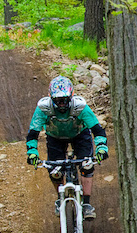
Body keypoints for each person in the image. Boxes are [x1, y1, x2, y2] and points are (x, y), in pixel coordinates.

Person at [25, 76, 109, 219]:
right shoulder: (43, 108)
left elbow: (97, 129)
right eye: (58, 101)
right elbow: (33, 133)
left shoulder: (80, 106)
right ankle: (60, 198)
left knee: (87, 165)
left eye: (64, 100)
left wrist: (102, 147)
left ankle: (87, 203)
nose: (62, 104)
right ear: (51, 98)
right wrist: (32, 152)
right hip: (55, 138)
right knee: (54, 171)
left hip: (80, 135)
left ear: (71, 96)